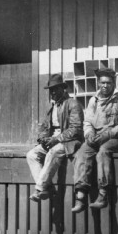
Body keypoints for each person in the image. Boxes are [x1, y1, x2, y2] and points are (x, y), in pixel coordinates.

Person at [72, 67, 118, 212]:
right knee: (82, 153)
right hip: (97, 137)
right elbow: (87, 121)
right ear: (98, 83)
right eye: (103, 83)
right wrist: (89, 134)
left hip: (117, 138)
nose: (105, 86)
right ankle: (80, 197)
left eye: (109, 83)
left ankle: (103, 194)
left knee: (103, 152)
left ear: (114, 83)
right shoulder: (94, 100)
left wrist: (107, 135)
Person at [26, 74, 83, 202]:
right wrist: (42, 138)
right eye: (51, 90)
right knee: (31, 154)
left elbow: (76, 129)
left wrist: (56, 139)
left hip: (69, 141)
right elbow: (45, 127)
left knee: (53, 151)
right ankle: (49, 188)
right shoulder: (53, 107)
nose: (53, 93)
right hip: (54, 140)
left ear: (63, 89)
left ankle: (40, 189)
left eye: (55, 89)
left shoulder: (73, 104)